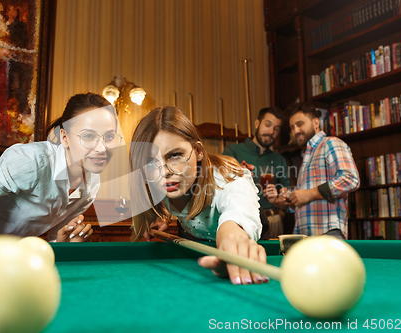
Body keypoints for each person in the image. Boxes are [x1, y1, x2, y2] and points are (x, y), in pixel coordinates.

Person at [0, 93, 122, 258]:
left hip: (0, 258)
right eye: (88, 136)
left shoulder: (91, 183)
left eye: (109, 137)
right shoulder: (32, 160)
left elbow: (52, 240)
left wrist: (65, 242)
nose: (101, 148)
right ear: (64, 137)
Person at [129, 106, 266, 285]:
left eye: (175, 155)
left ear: (198, 151)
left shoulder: (230, 180)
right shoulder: (156, 180)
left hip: (247, 234)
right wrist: (163, 215)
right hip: (200, 239)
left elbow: (236, 219)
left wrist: (233, 242)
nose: (164, 172)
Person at [283, 102, 360, 239]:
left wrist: (309, 194)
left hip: (328, 233)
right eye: (292, 127)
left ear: (316, 123)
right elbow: (307, 199)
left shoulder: (330, 143)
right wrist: (291, 199)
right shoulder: (306, 156)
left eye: (300, 124)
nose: (295, 131)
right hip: (305, 236)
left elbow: (350, 179)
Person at [222, 107, 290, 238]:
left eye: (276, 129)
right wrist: (237, 173)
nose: (271, 132)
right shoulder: (233, 151)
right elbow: (220, 185)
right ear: (257, 124)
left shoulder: (279, 159)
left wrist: (278, 200)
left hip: (274, 220)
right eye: (268, 125)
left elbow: (286, 200)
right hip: (242, 220)